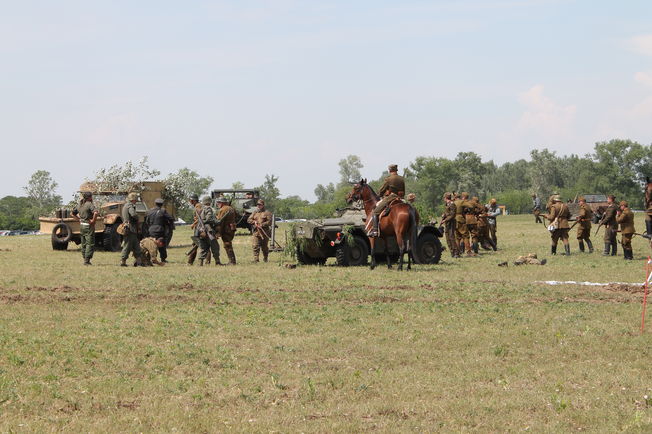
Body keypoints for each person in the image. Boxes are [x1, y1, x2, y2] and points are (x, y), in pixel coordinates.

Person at [369, 164, 405, 237]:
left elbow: (382, 189)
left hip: (391, 197)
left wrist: (379, 194)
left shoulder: (389, 179)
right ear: (396, 170)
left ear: (390, 170)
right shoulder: (401, 179)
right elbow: (403, 190)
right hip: (400, 198)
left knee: (375, 212)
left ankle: (375, 230)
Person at [72, 191, 99, 265]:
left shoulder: (79, 204)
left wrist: (79, 219)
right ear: (90, 197)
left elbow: (72, 214)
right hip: (88, 226)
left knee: (83, 243)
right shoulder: (89, 204)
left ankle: (85, 258)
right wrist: (93, 221)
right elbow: (96, 213)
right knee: (89, 243)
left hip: (82, 225)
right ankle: (87, 260)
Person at [145, 198, 175, 263]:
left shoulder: (150, 211)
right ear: (162, 204)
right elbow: (170, 218)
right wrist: (168, 224)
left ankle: (150, 258)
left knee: (151, 244)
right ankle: (163, 259)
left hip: (151, 230)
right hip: (160, 230)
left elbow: (147, 221)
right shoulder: (162, 211)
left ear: (155, 203)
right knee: (161, 244)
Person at [196, 196, 221, 266]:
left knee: (203, 247)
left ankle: (200, 263)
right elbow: (209, 219)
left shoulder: (201, 209)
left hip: (201, 230)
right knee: (215, 246)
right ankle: (217, 262)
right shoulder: (208, 209)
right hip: (208, 230)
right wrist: (217, 222)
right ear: (209, 202)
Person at [187, 194, 211, 265]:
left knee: (197, 243)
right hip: (200, 227)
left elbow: (200, 217)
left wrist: (193, 224)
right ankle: (207, 261)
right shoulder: (198, 206)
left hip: (199, 228)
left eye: (190, 200)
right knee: (202, 244)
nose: (190, 201)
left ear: (192, 200)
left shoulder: (198, 206)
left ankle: (190, 262)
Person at [120, 192, 143, 266]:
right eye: (135, 200)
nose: (136, 201)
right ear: (133, 199)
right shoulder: (130, 206)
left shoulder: (126, 205)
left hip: (131, 229)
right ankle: (123, 262)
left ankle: (139, 262)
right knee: (127, 246)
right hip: (130, 229)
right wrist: (137, 217)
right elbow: (133, 214)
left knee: (136, 246)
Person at [215, 196, 237, 265]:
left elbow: (219, 221)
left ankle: (232, 261)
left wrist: (218, 232)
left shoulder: (223, 209)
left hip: (226, 229)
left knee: (227, 244)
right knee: (228, 244)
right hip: (231, 228)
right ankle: (232, 261)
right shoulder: (231, 208)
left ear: (222, 203)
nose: (217, 204)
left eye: (218, 202)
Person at [441, 192, 460, 258]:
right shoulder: (447, 204)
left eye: (444, 197)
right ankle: (452, 252)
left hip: (451, 223)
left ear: (445, 198)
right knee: (448, 238)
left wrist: (445, 220)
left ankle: (456, 253)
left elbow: (452, 215)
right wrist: (444, 215)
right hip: (447, 223)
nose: (443, 199)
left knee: (451, 237)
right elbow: (447, 212)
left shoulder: (452, 204)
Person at [455, 192, 473, 256]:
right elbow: (471, 206)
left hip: (454, 220)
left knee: (457, 237)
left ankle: (457, 252)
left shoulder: (453, 202)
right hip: (461, 219)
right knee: (465, 236)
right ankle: (469, 252)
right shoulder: (461, 202)